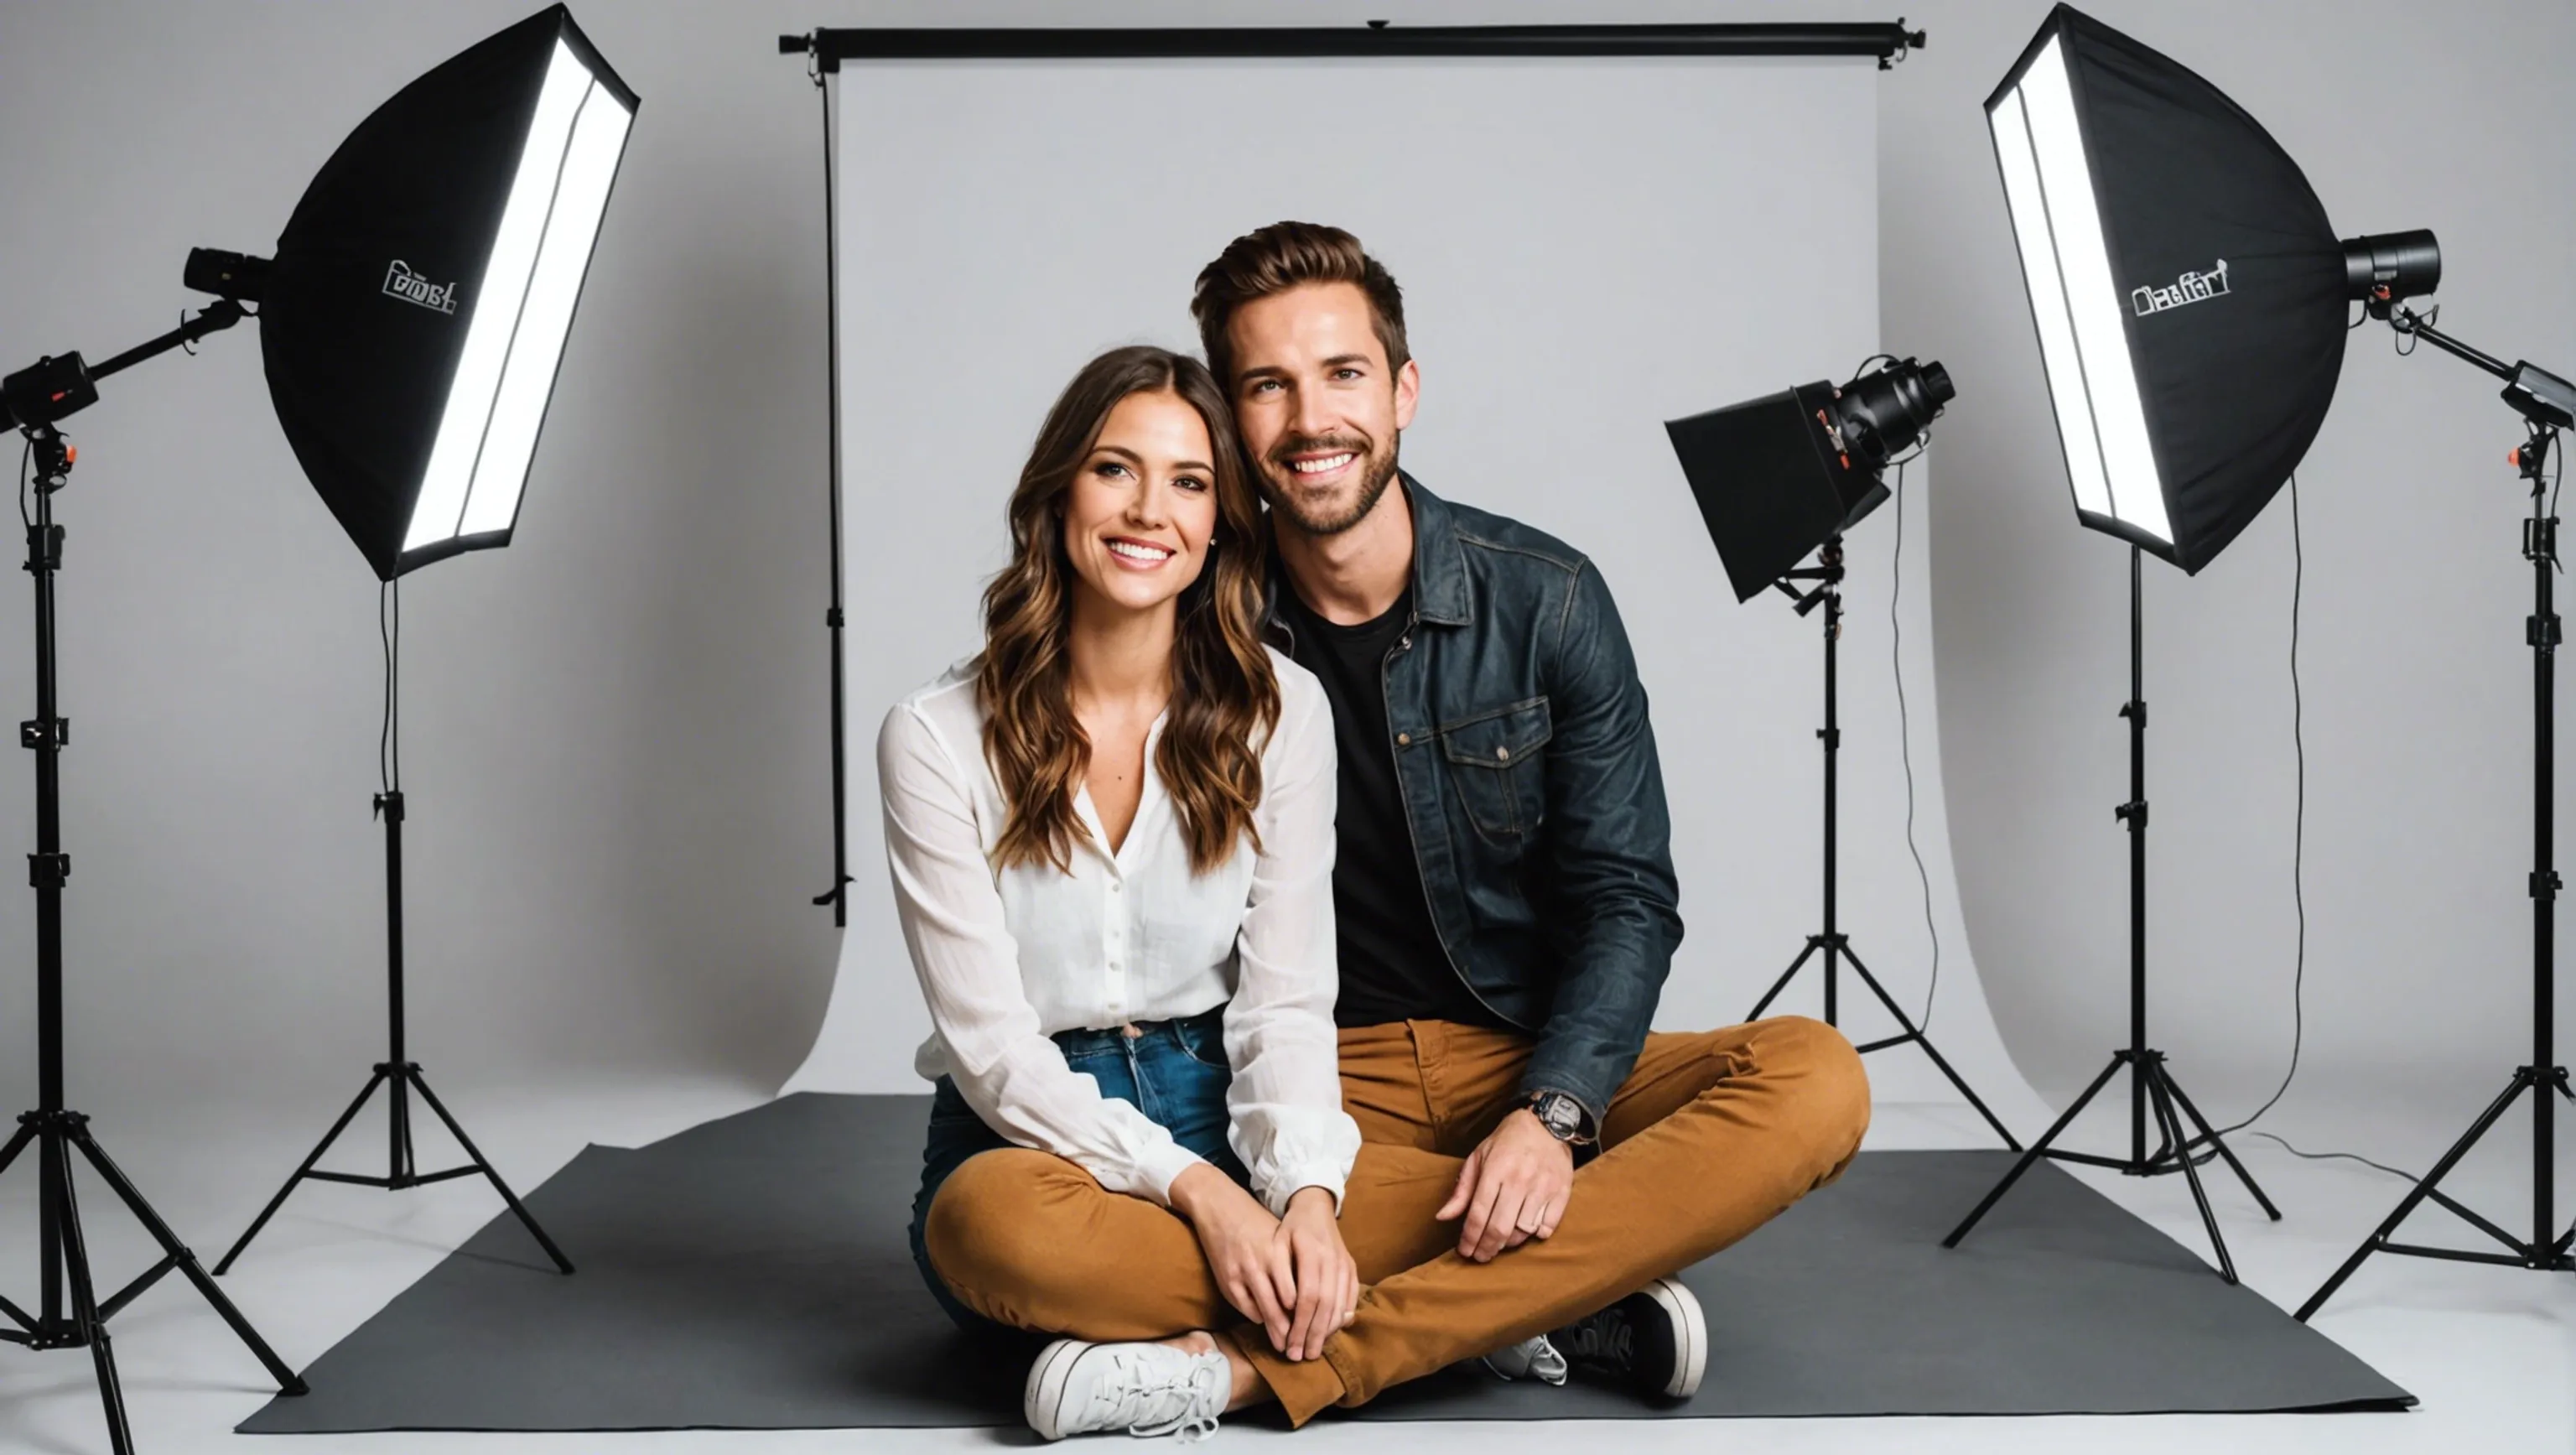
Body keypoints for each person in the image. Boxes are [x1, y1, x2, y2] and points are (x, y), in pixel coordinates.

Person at [929, 226, 1875, 1438]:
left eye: (1343, 374)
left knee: (1814, 1075)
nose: (1311, 417)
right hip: (1310, 1085)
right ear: (1231, 422)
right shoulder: (1192, 600)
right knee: (1011, 1227)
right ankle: (1551, 1292)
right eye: (1268, 385)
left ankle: (1260, 1370)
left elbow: (1628, 898)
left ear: (1404, 391)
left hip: (1518, 1056)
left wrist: (1555, 1114)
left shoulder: (1547, 598)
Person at [885, 346, 1362, 1441]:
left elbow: (1285, 1003)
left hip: (1217, 1089)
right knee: (988, 1239)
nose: (1152, 509)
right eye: (1116, 469)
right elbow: (997, 1055)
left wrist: (1302, 1203)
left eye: (1191, 481)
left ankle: (1219, 1365)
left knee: (1352, 1213)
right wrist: (1207, 1196)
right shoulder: (933, 737)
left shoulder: (1281, 712)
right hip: (1025, 1138)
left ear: (1219, 525)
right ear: (1058, 496)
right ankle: (1476, 1309)